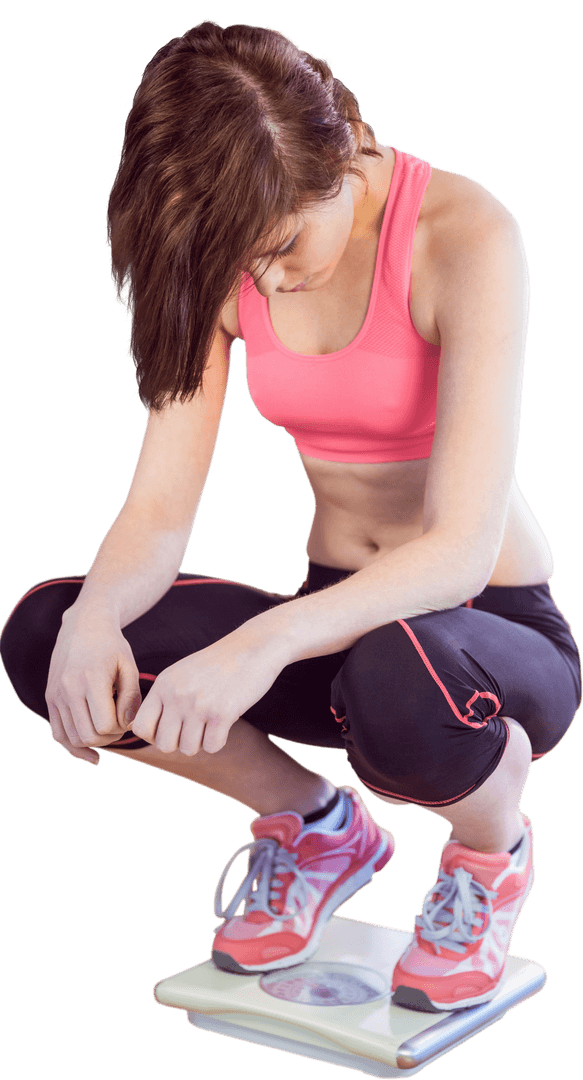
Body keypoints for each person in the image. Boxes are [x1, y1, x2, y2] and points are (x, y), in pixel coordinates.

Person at [1, 18, 581, 1013]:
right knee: (49, 635)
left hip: (482, 640)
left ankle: (492, 856)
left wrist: (260, 643)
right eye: (244, 260)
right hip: (328, 625)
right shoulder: (231, 253)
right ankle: (314, 827)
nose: (266, 281)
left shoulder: (466, 235)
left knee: (398, 669)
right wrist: (97, 624)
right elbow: (158, 507)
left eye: (279, 246)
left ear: (337, 158)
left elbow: (456, 550)